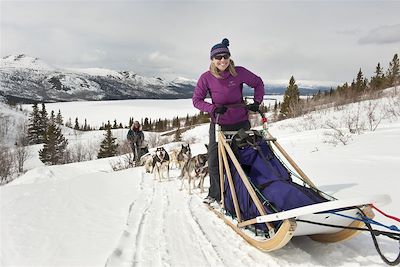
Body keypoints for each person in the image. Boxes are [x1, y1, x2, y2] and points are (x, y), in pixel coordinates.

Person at [192, 38, 265, 205]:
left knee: (243, 158)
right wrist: (212, 108)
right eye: (218, 57)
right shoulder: (206, 77)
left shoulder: (238, 72)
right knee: (215, 159)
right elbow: (196, 100)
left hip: (240, 121)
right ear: (212, 59)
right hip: (219, 123)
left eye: (225, 56)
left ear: (229, 57)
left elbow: (258, 83)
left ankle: (245, 193)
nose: (222, 60)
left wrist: (257, 101)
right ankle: (216, 194)